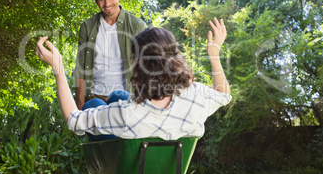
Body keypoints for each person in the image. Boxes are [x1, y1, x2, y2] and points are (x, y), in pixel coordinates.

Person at [36, 18, 231, 141]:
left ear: (139, 65)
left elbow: (73, 120)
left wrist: (58, 67)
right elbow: (224, 95)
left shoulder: (128, 114)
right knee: (119, 95)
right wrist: (214, 54)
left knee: (94, 102)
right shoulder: (196, 95)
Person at [73, 0, 146, 110]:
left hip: (126, 98)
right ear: (95, 0)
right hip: (95, 97)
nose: (107, 4)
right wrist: (80, 105)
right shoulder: (87, 27)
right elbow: (81, 68)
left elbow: (146, 67)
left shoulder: (137, 25)